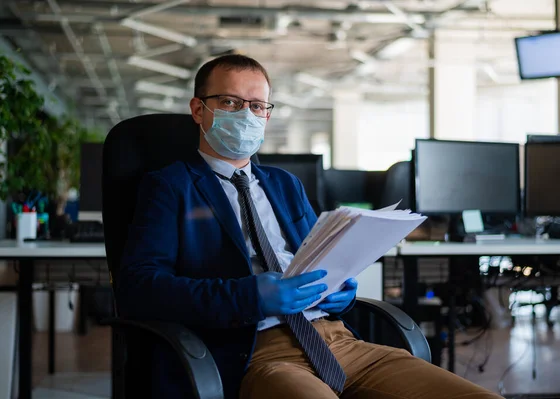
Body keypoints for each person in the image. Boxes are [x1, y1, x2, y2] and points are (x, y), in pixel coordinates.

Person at [118, 54, 502, 399]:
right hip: (256, 350)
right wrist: (249, 296)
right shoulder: (171, 185)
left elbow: (317, 256)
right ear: (199, 110)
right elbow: (140, 287)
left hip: (340, 341)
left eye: (256, 105)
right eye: (231, 102)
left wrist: (341, 290)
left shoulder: (285, 184)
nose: (246, 115)